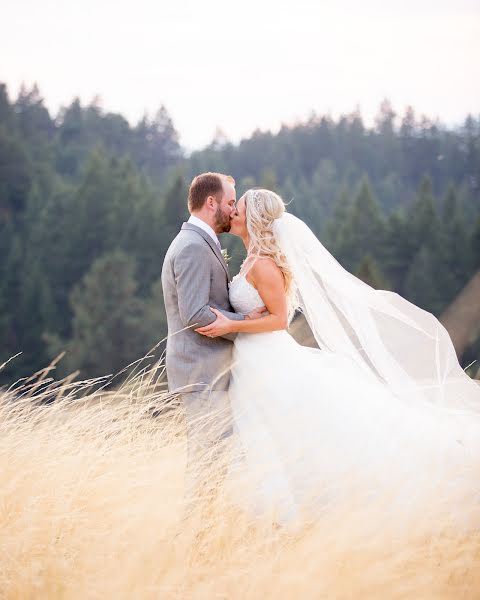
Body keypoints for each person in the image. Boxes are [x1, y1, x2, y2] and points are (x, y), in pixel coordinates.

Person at [195, 188, 480, 528]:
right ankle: (282, 515)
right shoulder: (252, 261)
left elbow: (280, 320)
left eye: (238, 209)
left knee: (298, 432)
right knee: (272, 437)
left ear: (254, 219)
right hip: (255, 361)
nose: (233, 214)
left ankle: (301, 513)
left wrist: (230, 322)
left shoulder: (263, 265)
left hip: (270, 360)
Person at [161, 173, 266, 510]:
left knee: (216, 461)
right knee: (208, 463)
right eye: (231, 202)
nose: (234, 210)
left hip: (209, 371)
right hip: (201, 373)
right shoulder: (192, 246)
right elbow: (195, 313)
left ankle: (205, 537)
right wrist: (246, 322)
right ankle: (197, 542)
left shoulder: (198, 241)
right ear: (212, 203)